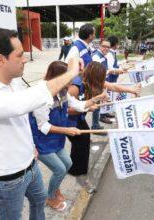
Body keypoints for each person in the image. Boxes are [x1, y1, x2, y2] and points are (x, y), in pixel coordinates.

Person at [0, 27, 82, 220]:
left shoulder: (13, 82)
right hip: (7, 179)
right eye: (19, 55)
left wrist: (30, 147)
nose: (25, 59)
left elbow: (22, 119)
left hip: (30, 165)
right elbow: (22, 104)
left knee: (39, 201)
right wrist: (71, 72)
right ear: (1, 59)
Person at [29, 61, 107, 211]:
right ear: (57, 77)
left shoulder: (62, 91)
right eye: (68, 80)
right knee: (59, 169)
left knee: (68, 164)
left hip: (56, 139)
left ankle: (55, 186)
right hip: (41, 142)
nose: (71, 84)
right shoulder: (42, 96)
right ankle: (50, 197)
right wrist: (67, 130)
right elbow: (43, 126)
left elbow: (78, 104)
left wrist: (96, 99)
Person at [67, 61, 141, 176]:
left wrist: (132, 90)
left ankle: (77, 167)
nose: (103, 82)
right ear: (95, 76)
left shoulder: (92, 80)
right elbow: (65, 111)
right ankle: (75, 170)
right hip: (68, 120)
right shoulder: (75, 87)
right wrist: (88, 108)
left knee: (84, 138)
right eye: (102, 78)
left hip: (79, 117)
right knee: (80, 141)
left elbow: (113, 86)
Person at [91, 39, 113, 128]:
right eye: (104, 46)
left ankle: (96, 123)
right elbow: (95, 72)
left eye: (108, 47)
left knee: (98, 104)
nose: (106, 48)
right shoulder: (97, 56)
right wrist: (110, 71)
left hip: (100, 83)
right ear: (100, 46)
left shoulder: (103, 56)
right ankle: (95, 125)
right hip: (96, 83)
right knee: (96, 105)